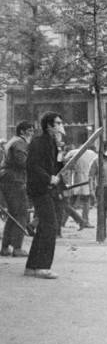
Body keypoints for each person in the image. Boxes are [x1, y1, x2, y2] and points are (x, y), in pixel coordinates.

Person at [25, 113, 66, 279]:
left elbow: (55, 166)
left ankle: (32, 266)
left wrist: (61, 157)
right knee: (50, 225)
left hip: (48, 189)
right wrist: (48, 178)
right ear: (48, 125)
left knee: (44, 226)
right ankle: (42, 266)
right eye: (57, 123)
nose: (60, 126)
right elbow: (32, 165)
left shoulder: (53, 143)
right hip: (39, 188)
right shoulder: (38, 142)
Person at [0, 121, 34, 257]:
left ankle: (5, 247)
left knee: (13, 214)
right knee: (21, 213)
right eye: (30, 131)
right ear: (22, 132)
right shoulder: (20, 143)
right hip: (15, 180)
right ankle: (17, 247)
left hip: (8, 179)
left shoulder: (13, 141)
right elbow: (23, 162)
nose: (32, 133)